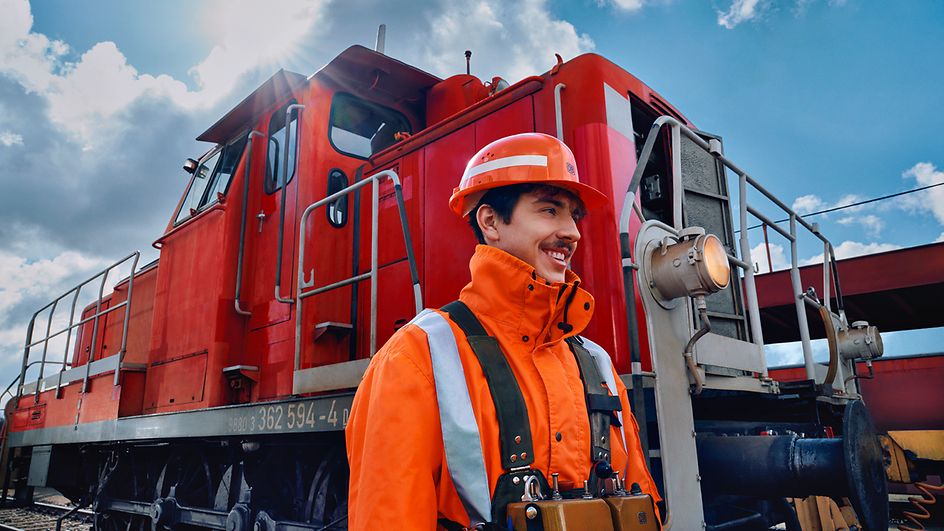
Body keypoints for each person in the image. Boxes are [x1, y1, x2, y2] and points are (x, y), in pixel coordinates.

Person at [346, 133, 660, 530]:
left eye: (573, 215)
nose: (572, 232)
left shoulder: (597, 364)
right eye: (549, 210)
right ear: (490, 221)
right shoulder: (417, 356)